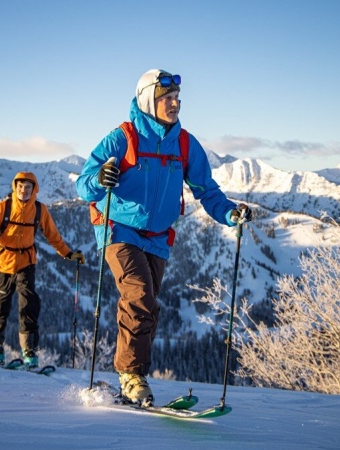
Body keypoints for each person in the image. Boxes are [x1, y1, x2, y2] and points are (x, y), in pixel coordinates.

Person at [75, 69, 252, 404]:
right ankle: (131, 375)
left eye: (177, 99)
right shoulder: (122, 138)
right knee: (139, 295)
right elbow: (83, 185)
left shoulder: (184, 144)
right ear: (148, 101)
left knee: (148, 306)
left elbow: (206, 190)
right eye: (166, 99)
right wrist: (101, 177)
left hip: (158, 237)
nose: (174, 104)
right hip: (118, 229)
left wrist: (229, 213)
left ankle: (133, 373)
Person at [0, 172, 85, 368]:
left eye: (28, 187)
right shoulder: (3, 207)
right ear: (15, 187)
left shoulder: (39, 210)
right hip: (2, 262)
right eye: (20, 186)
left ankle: (29, 349)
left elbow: (53, 235)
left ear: (34, 189)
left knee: (28, 304)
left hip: (26, 262)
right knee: (0, 307)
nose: (24, 190)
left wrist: (68, 254)